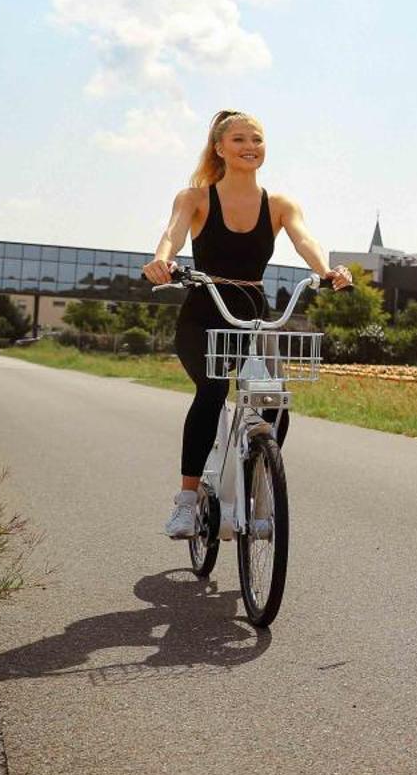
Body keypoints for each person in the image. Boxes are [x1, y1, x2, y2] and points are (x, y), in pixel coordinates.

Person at [141, 110, 351, 538]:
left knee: (275, 401)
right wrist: (163, 261)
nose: (249, 146)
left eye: (256, 139)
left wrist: (327, 271)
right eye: (239, 139)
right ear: (219, 148)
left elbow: (305, 239)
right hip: (204, 313)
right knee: (213, 391)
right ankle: (186, 500)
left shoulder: (279, 204)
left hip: (253, 315)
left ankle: (259, 478)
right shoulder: (195, 198)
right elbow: (173, 234)